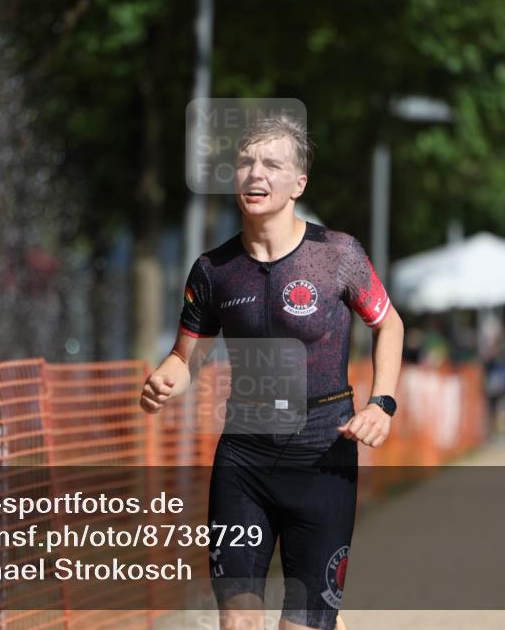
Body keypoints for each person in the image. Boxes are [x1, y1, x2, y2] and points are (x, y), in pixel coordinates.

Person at [139, 115, 404, 630]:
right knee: (238, 623)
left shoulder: (338, 256)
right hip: (244, 458)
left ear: (298, 183)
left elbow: (389, 324)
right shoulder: (213, 270)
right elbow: (185, 357)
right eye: (244, 162)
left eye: (271, 164)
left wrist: (382, 402)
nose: (254, 173)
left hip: (323, 456)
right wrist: (168, 376)